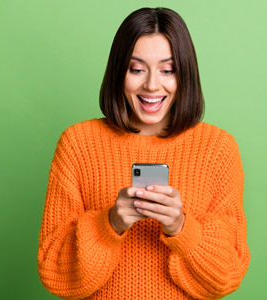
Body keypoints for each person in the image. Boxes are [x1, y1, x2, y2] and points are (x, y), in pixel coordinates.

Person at [37, 7, 250, 300]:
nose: (151, 84)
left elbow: (227, 275)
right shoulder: (78, 143)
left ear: (185, 73)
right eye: (136, 69)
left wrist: (181, 228)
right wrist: (110, 222)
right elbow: (54, 270)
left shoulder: (218, 148)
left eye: (168, 69)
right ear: (118, 72)